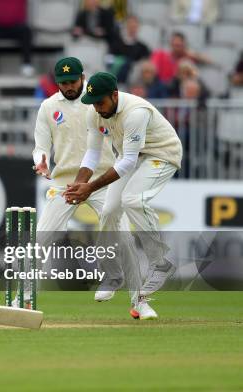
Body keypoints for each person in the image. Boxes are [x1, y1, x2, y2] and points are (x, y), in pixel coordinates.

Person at [64, 72, 183, 319]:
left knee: (132, 200)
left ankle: (160, 261)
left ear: (115, 95)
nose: (97, 108)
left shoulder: (135, 112)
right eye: (93, 102)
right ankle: (113, 274)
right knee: (108, 213)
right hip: (130, 156)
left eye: (101, 102)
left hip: (161, 154)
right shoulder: (94, 110)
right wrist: (78, 185)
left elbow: (128, 162)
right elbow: (93, 153)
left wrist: (91, 187)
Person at [31, 57, 131, 305]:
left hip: (101, 180)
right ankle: (23, 297)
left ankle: (136, 297)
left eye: (72, 81)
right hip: (65, 183)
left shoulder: (98, 99)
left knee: (124, 234)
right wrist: (41, 160)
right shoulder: (48, 107)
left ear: (82, 77)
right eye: (62, 83)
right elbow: (41, 146)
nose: (68, 87)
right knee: (42, 237)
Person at [108, 15, 150, 82]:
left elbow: (146, 60)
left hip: (135, 78)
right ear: (126, 27)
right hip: (118, 75)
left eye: (135, 27)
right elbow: (110, 60)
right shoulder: (116, 44)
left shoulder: (142, 47)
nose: (132, 29)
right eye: (130, 26)